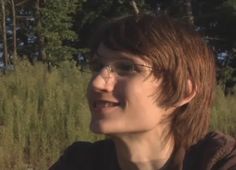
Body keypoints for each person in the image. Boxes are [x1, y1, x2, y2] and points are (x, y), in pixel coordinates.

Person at [49, 14, 236, 170]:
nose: (98, 82)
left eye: (126, 67)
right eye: (97, 66)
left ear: (183, 92)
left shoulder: (218, 160)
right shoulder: (81, 162)